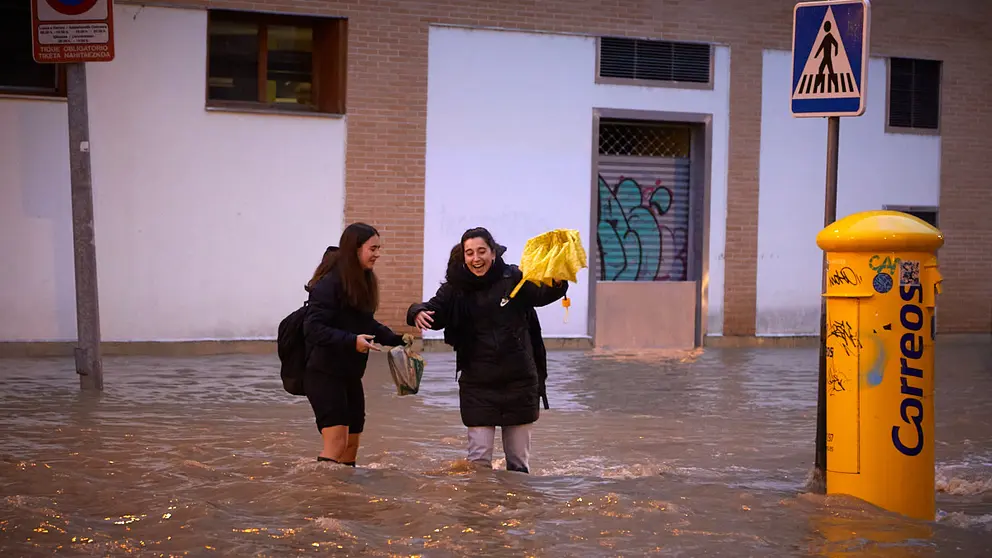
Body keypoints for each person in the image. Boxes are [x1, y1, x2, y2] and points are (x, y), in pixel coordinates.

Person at [407, 227, 567, 473]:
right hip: (477, 384)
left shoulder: (513, 277)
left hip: (519, 381)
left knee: (518, 464)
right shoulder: (455, 287)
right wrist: (416, 312)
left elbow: (541, 294)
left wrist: (557, 282)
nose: (476, 258)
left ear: (493, 253)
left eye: (481, 251)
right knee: (478, 462)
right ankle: (479, 511)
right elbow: (434, 309)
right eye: (469, 253)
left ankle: (517, 510)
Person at [304, 223, 411, 465]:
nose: (377, 254)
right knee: (337, 443)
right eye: (373, 248)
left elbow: (367, 324)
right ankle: (323, 498)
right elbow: (312, 329)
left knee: (352, 443)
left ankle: (345, 499)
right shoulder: (328, 285)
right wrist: (352, 341)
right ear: (355, 249)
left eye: (379, 248)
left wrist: (397, 339)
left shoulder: (362, 282)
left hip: (350, 375)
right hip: (323, 374)